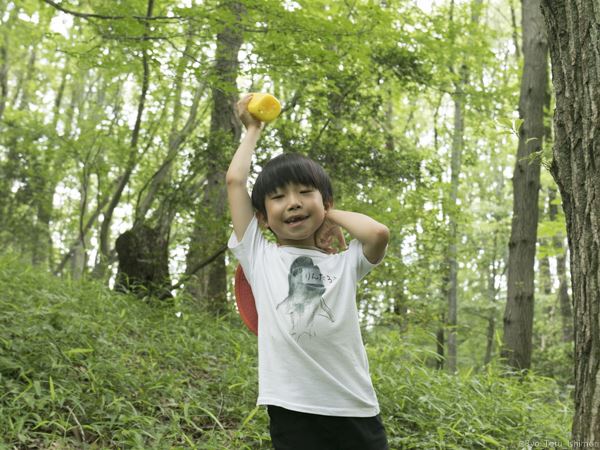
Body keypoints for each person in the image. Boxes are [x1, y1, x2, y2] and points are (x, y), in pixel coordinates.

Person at [226, 94, 390, 450]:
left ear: (325, 202)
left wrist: (330, 216)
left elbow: (377, 233)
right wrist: (254, 129)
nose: (294, 202)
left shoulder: (344, 263)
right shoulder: (260, 256)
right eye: (279, 197)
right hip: (293, 407)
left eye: (305, 193)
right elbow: (235, 181)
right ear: (262, 218)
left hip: (355, 406)